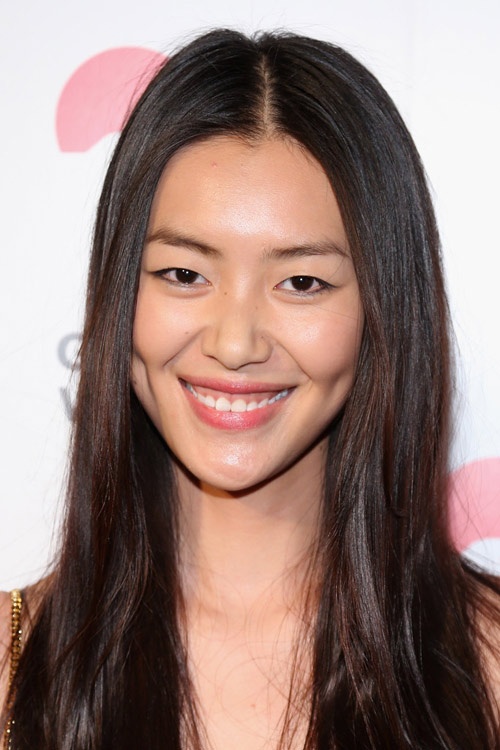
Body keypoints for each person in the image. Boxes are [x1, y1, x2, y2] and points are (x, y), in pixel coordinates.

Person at [1, 28, 499, 750]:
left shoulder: (487, 669)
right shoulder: (12, 665)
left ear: (383, 311)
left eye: (302, 282)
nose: (235, 344)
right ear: (119, 295)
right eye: (183, 274)